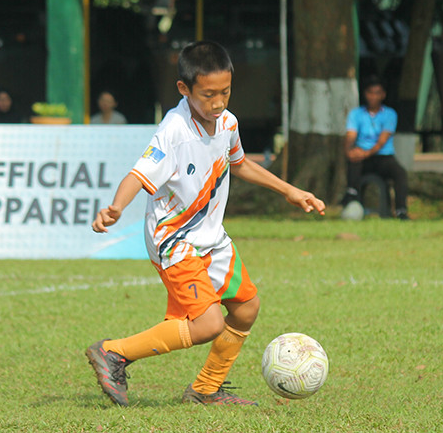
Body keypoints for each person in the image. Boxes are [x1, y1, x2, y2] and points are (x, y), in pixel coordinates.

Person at [86, 40, 326, 407]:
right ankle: (114, 352)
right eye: (208, 95)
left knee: (246, 307)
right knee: (208, 324)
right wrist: (116, 208)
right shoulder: (174, 131)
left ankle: (206, 389)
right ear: (184, 89)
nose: (217, 103)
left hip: (211, 238)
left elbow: (240, 163)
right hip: (174, 239)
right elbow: (138, 173)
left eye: (225, 92)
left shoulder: (227, 122)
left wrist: (289, 191)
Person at [343, 75, 410, 220]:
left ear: (383, 95)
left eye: (377, 93)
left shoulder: (390, 114)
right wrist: (349, 151)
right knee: (353, 162)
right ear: (365, 94)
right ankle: (351, 198)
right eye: (370, 92)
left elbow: (382, 141)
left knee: (400, 174)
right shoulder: (356, 114)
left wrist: (365, 153)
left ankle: (400, 210)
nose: (373, 96)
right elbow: (351, 135)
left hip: (383, 156)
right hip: (361, 156)